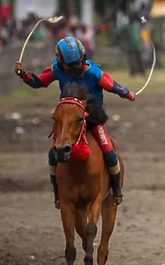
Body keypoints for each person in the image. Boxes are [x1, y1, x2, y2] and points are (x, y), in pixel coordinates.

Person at [14, 36, 135, 207]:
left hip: (92, 118)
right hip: (67, 121)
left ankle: (116, 190)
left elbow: (112, 85)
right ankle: (58, 193)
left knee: (109, 151)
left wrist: (127, 94)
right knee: (52, 154)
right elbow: (39, 82)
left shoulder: (93, 72)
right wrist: (24, 75)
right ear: (61, 62)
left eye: (78, 63)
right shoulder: (56, 70)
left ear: (83, 58)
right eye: (70, 65)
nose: (75, 68)